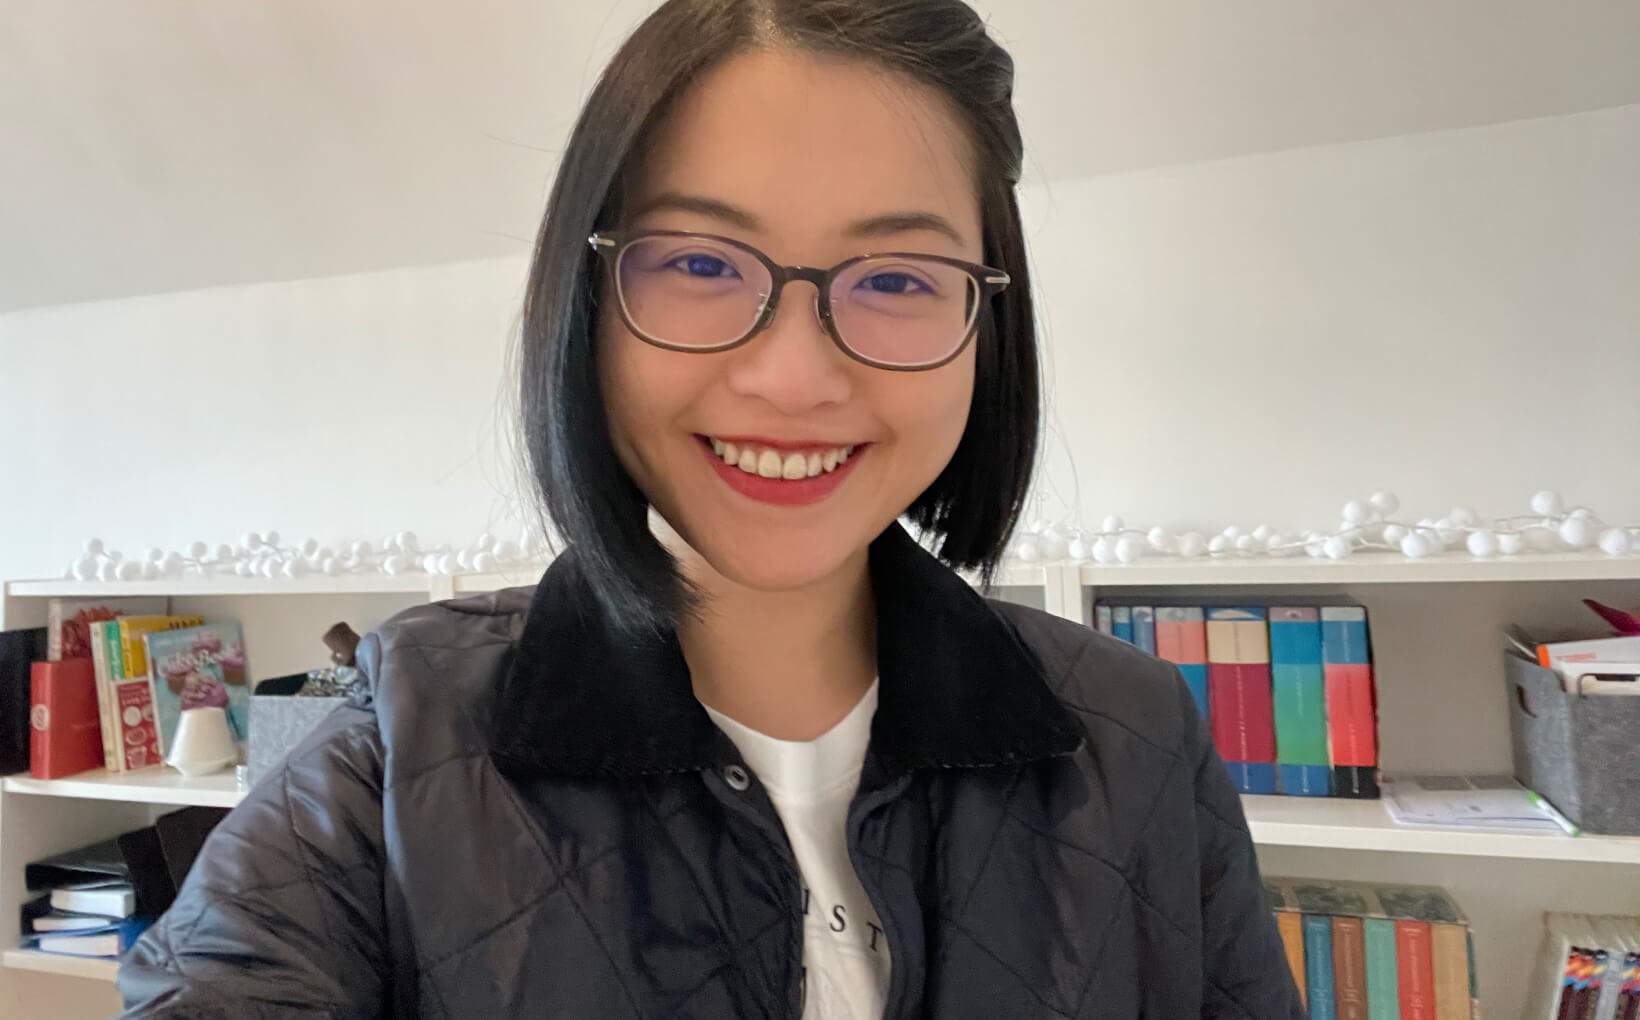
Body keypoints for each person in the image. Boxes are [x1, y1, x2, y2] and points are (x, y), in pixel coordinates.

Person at [117, 1, 1305, 1016]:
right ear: (584, 298)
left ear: (986, 324)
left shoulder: (1137, 736)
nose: (792, 378)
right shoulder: (408, 731)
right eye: (695, 262)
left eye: (894, 280)